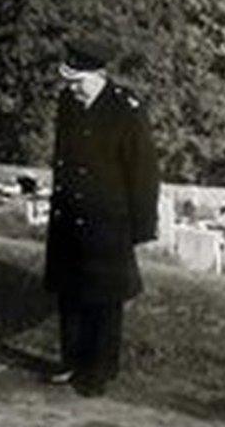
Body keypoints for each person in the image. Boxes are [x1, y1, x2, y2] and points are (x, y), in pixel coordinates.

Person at [43, 38, 161, 397]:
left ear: (98, 76)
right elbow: (63, 156)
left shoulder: (126, 110)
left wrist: (139, 229)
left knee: (103, 299)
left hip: (108, 221)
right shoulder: (69, 103)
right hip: (70, 215)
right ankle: (71, 361)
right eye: (69, 83)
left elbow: (144, 173)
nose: (72, 89)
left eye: (78, 83)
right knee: (69, 292)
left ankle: (98, 370)